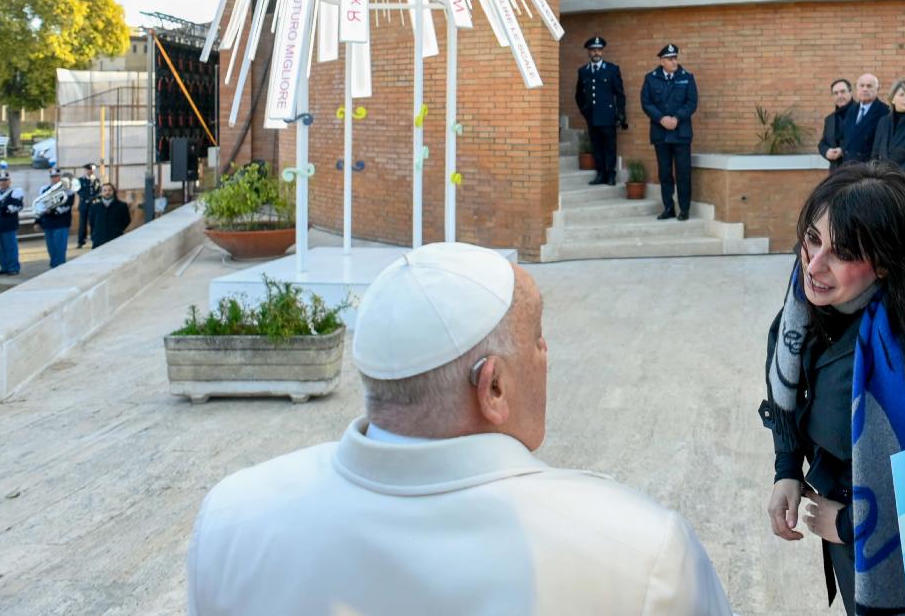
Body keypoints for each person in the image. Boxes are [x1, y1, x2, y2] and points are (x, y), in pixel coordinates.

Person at [188, 242, 733, 616]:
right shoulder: (645, 553)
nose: (546, 354)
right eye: (537, 337)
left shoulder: (233, 517)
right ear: (492, 388)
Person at [761, 163, 905, 615]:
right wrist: (787, 466)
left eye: (841, 253)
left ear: (883, 260)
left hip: (902, 551)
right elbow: (785, 388)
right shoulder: (805, 305)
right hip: (846, 529)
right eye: (812, 239)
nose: (814, 265)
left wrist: (849, 524)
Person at [641, 43, 698, 220]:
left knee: (683, 173)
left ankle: (684, 209)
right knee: (665, 173)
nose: (674, 62)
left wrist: (676, 118)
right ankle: (668, 208)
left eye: (675, 58)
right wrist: (661, 119)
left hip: (681, 133)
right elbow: (646, 103)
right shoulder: (651, 78)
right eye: (670, 59)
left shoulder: (687, 77)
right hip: (661, 133)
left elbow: (691, 102)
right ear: (661, 61)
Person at [574, 34, 627, 185]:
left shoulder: (612, 69)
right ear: (588, 52)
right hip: (592, 116)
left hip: (608, 116)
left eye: (599, 50)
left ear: (602, 52)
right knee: (596, 146)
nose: (596, 53)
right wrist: (585, 111)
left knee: (610, 147)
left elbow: (620, 94)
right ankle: (600, 174)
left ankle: (611, 175)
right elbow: (578, 95)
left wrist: (620, 113)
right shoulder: (583, 71)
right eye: (593, 50)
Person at [841, 73, 888, 165]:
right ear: (857, 89)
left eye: (869, 86)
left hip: (868, 168)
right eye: (861, 86)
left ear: (877, 89)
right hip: (847, 167)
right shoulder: (851, 110)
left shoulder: (884, 112)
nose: (865, 89)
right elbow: (845, 137)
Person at [36, 169, 76, 268]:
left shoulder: (68, 191)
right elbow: (39, 206)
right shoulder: (45, 190)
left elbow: (65, 207)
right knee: (51, 249)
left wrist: (52, 210)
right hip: (48, 223)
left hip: (61, 223)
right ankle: (54, 267)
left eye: (57, 176)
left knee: (60, 248)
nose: (54, 179)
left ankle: (60, 268)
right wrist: (37, 221)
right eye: (52, 177)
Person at [0, 170, 24, 276]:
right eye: (1, 180)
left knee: (10, 247)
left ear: (9, 181)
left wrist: (5, 207)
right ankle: (4, 267)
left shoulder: (15, 192)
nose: (3, 182)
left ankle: (13, 267)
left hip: (9, 224)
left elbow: (18, 206)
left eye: (5, 180)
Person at [817, 78, 853, 171]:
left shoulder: (863, 114)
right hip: (835, 173)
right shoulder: (829, 119)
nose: (839, 96)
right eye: (836, 93)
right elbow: (823, 143)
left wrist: (842, 150)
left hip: (858, 173)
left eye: (842, 92)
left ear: (850, 92)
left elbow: (867, 142)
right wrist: (827, 152)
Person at [87, 182, 130, 247]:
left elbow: (126, 220)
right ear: (101, 193)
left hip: (116, 239)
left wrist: (118, 230)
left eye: (110, 190)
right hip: (98, 240)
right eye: (104, 190)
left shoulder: (122, 206)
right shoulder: (95, 207)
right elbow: (91, 222)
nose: (107, 192)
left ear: (113, 191)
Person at [75, 163, 99, 249]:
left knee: (93, 222)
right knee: (82, 224)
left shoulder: (96, 180)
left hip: (93, 204)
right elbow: (79, 190)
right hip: (84, 204)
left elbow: (98, 190)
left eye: (92, 170)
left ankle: (94, 239)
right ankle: (81, 241)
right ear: (86, 170)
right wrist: (87, 197)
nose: (91, 171)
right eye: (89, 170)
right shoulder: (80, 180)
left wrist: (93, 197)